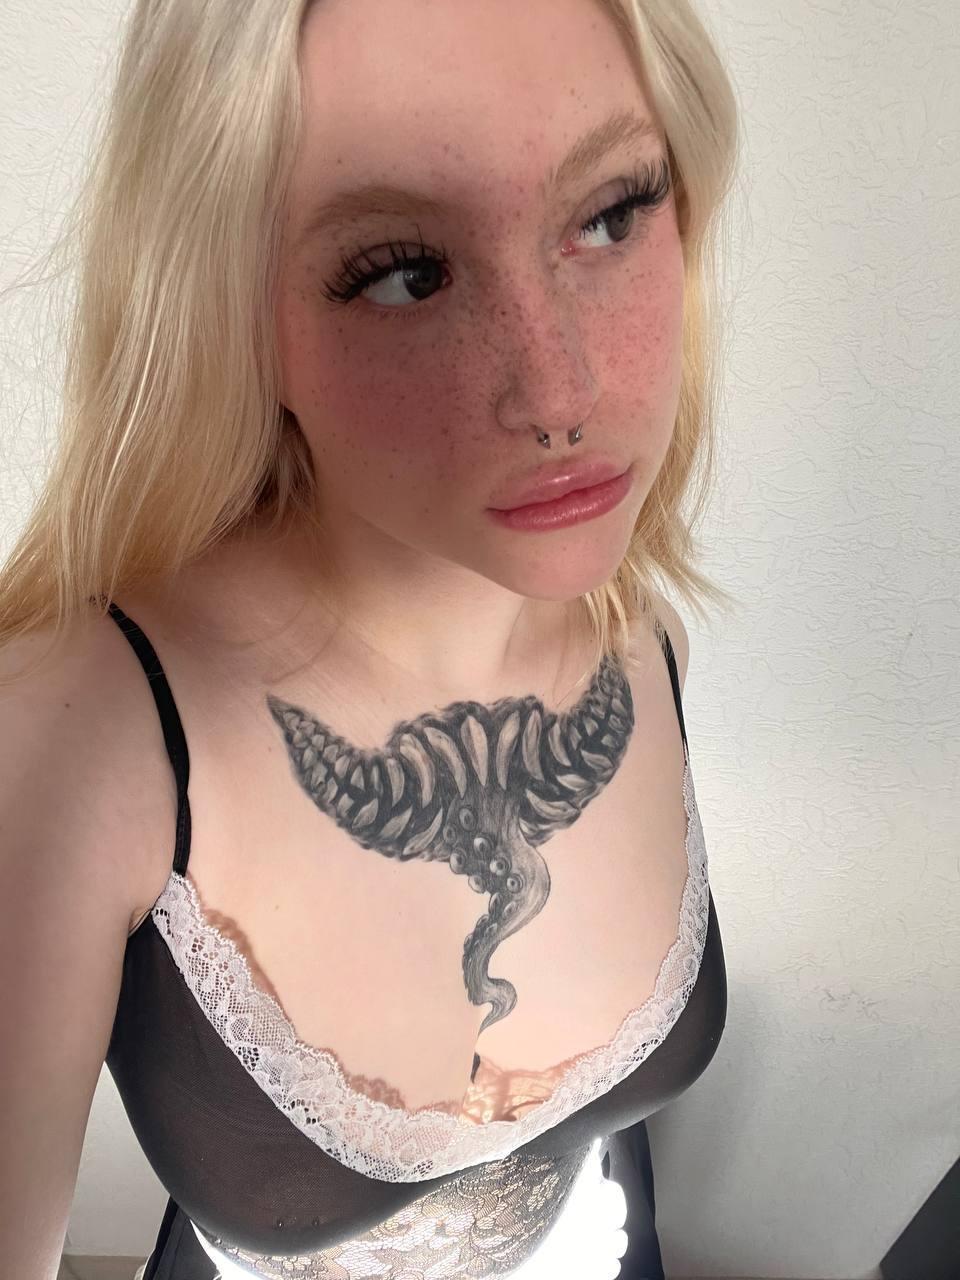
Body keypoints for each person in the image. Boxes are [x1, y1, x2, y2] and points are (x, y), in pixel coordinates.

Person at [0, 0, 741, 1275]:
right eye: (404, 272)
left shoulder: (644, 631)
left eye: (612, 213)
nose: (560, 392)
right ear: (230, 310)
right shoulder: (76, 742)